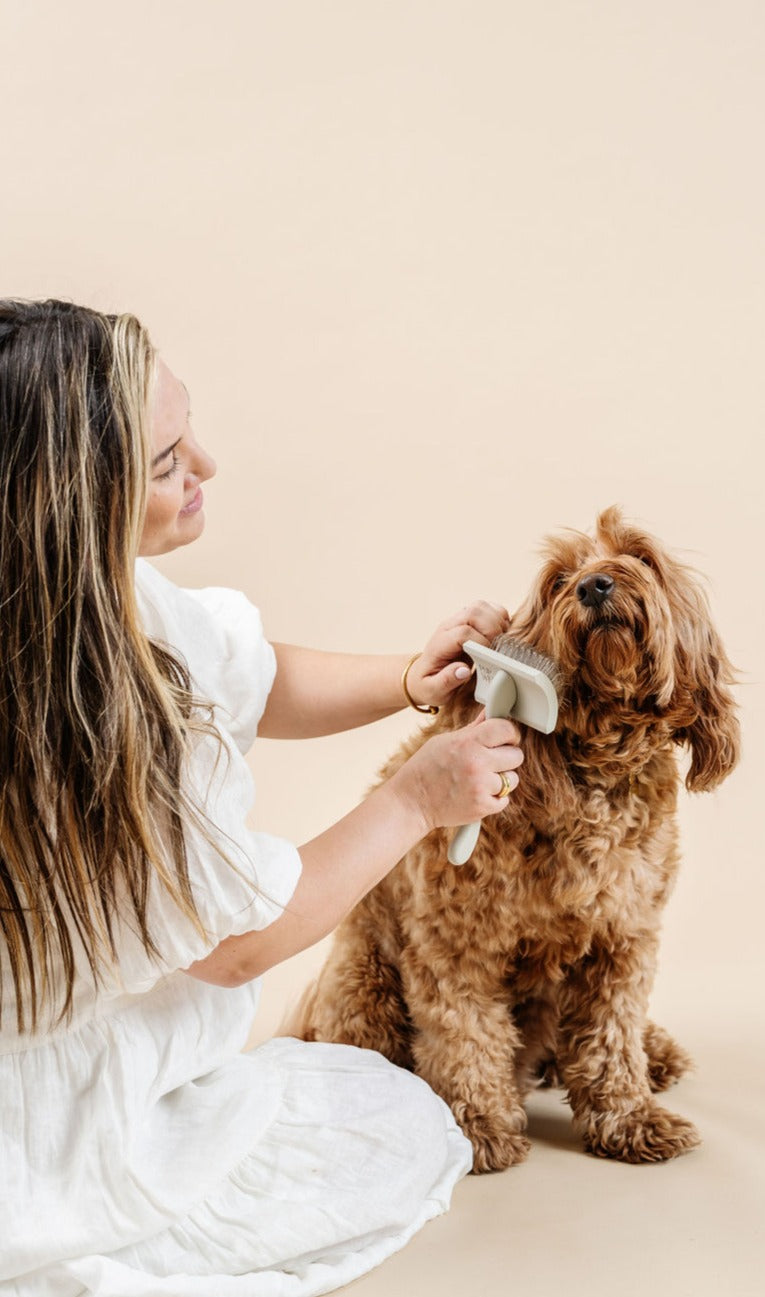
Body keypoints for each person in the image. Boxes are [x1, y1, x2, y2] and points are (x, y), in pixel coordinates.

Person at [0, 298, 524, 1296]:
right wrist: (414, 802)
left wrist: (411, 680)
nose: (207, 464)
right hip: (51, 1129)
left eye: (188, 428)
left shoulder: (82, 596)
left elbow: (249, 671)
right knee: (385, 1131)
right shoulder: (78, 721)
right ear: (77, 498)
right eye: (167, 461)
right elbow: (234, 944)